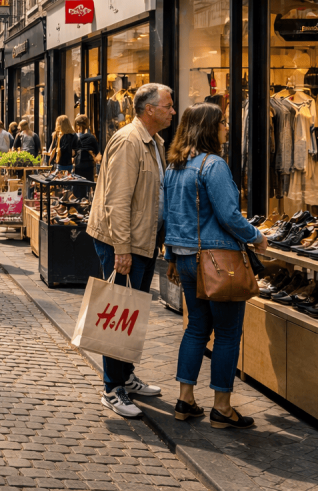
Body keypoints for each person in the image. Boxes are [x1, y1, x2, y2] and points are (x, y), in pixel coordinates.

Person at [164, 103, 267, 429]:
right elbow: (229, 216)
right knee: (226, 334)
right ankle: (222, 407)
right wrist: (257, 237)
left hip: (186, 259)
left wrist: (171, 258)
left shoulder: (174, 167)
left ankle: (185, 400)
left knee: (196, 328)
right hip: (218, 262)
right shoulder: (214, 165)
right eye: (222, 123)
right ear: (210, 128)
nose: (226, 128)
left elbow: (168, 218)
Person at [87, 83, 175, 418]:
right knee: (117, 309)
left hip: (142, 238)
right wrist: (122, 248)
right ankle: (112, 388)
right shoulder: (129, 141)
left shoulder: (154, 142)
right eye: (168, 105)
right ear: (149, 109)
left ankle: (125, 375)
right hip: (122, 241)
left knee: (132, 309)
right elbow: (117, 200)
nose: (172, 111)